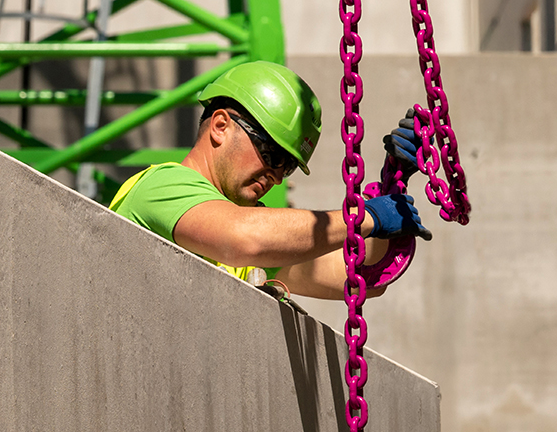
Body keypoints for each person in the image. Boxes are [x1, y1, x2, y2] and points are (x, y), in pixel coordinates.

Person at [107, 61, 430, 300]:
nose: (275, 177)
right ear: (221, 126)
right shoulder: (160, 187)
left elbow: (359, 276)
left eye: (286, 167)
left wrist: (394, 182)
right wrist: (363, 217)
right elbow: (242, 236)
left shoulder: (249, 254)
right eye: (272, 155)